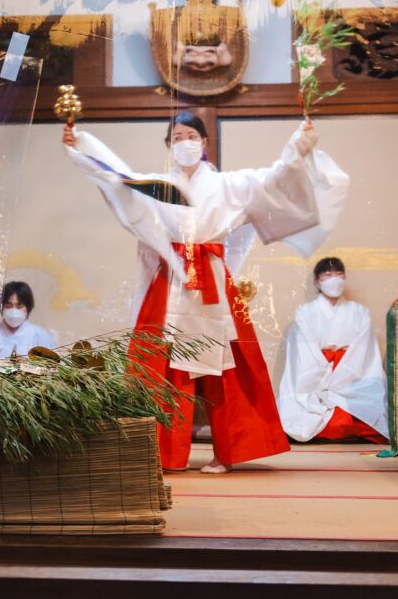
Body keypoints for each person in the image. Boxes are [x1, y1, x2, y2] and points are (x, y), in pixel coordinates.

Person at [63, 114, 348, 473]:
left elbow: (275, 179)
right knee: (160, 367)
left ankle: (225, 453)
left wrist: (298, 143)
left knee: (228, 369)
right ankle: (160, 452)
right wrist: (81, 150)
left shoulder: (230, 184)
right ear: (169, 146)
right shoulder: (159, 185)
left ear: (204, 142)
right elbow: (116, 179)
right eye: (177, 136)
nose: (185, 142)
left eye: (191, 135)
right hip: (171, 279)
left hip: (213, 278)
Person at [277, 257, 388, 444]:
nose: (334, 279)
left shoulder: (359, 312)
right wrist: (326, 371)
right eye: (328, 275)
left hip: (351, 370)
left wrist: (341, 372)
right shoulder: (305, 313)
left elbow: (364, 352)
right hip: (318, 370)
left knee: (366, 405)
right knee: (303, 410)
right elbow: (304, 355)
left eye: (339, 274)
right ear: (317, 281)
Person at [0, 281, 55, 359]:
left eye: (19, 306)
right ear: (1, 308)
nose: (14, 311)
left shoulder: (40, 336)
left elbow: (51, 367)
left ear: (28, 308)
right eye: (8, 306)